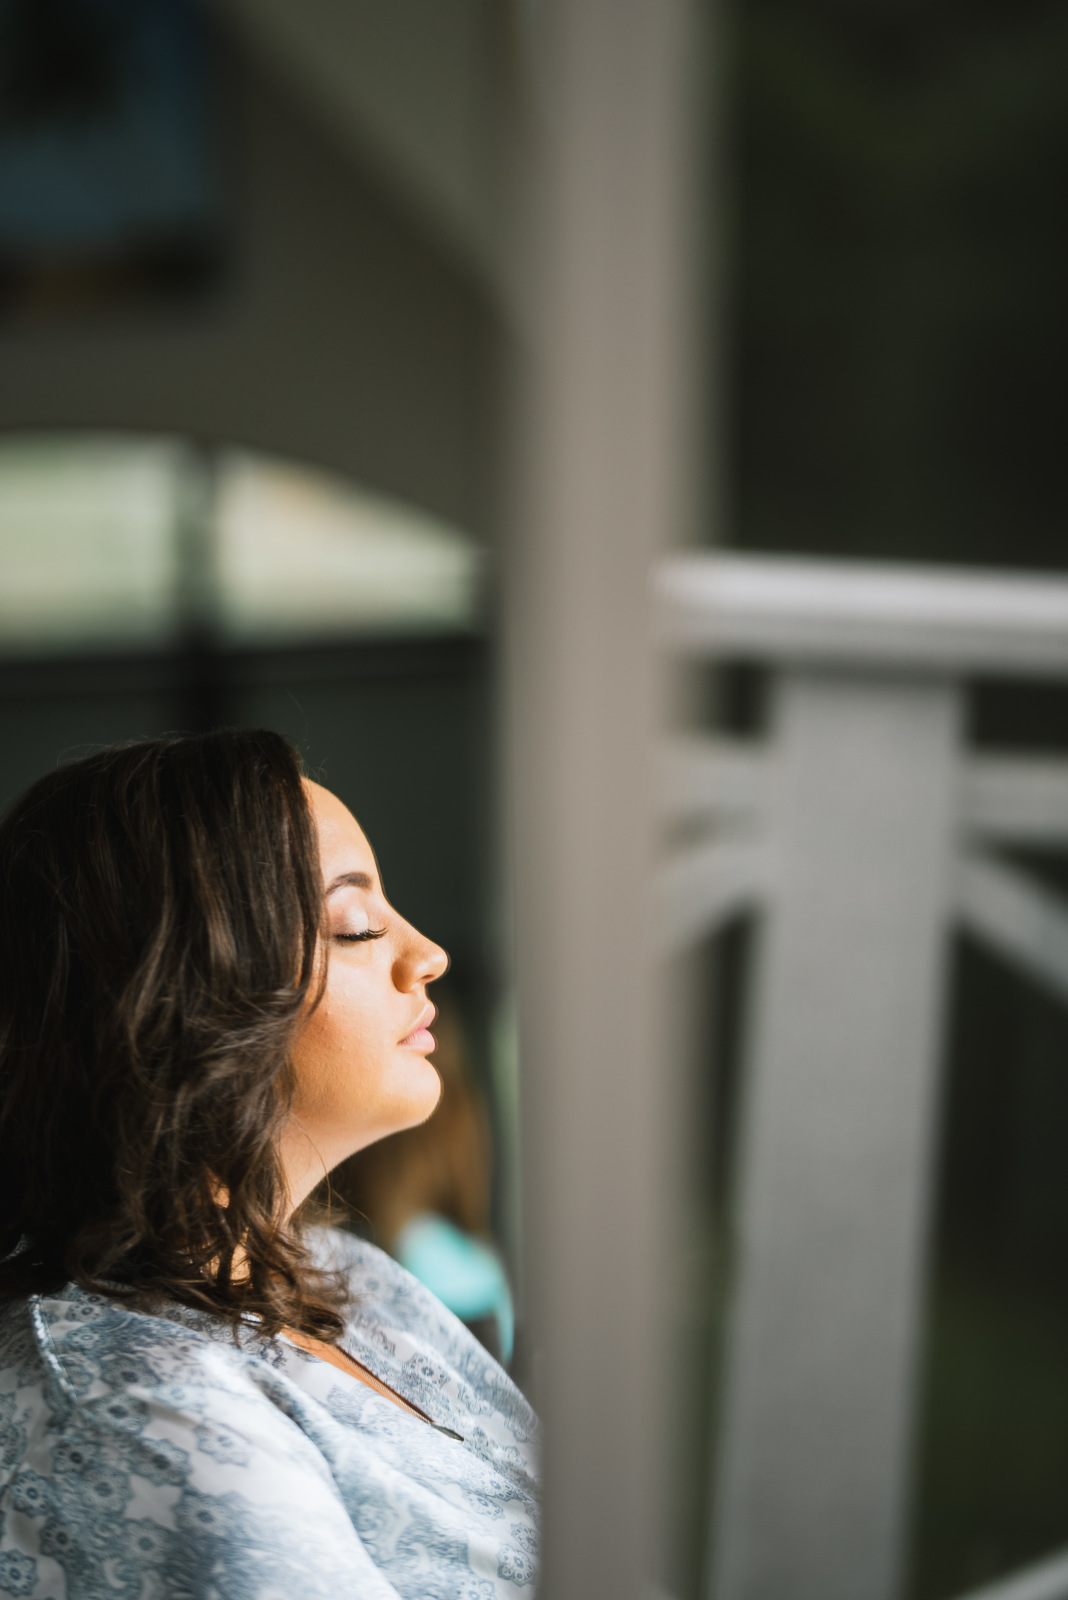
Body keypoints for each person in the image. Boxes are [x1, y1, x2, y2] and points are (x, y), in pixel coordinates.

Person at [0, 730, 538, 1599]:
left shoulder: (352, 1279)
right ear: (183, 996)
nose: (428, 955)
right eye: (357, 926)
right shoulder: (137, 1406)